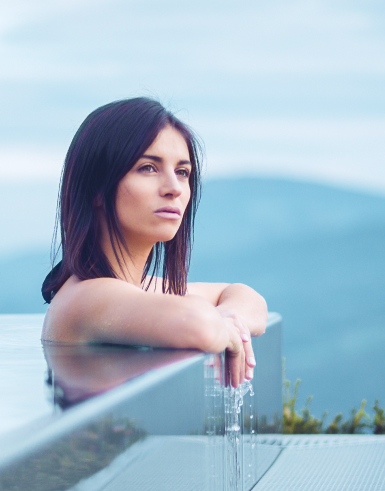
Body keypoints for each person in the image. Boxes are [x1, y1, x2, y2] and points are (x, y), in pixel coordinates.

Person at [41, 98, 268, 387]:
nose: (174, 188)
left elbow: (248, 298)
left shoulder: (138, 289)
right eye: (148, 168)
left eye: (182, 172)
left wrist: (227, 317)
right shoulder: (88, 297)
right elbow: (201, 327)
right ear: (97, 189)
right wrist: (218, 322)